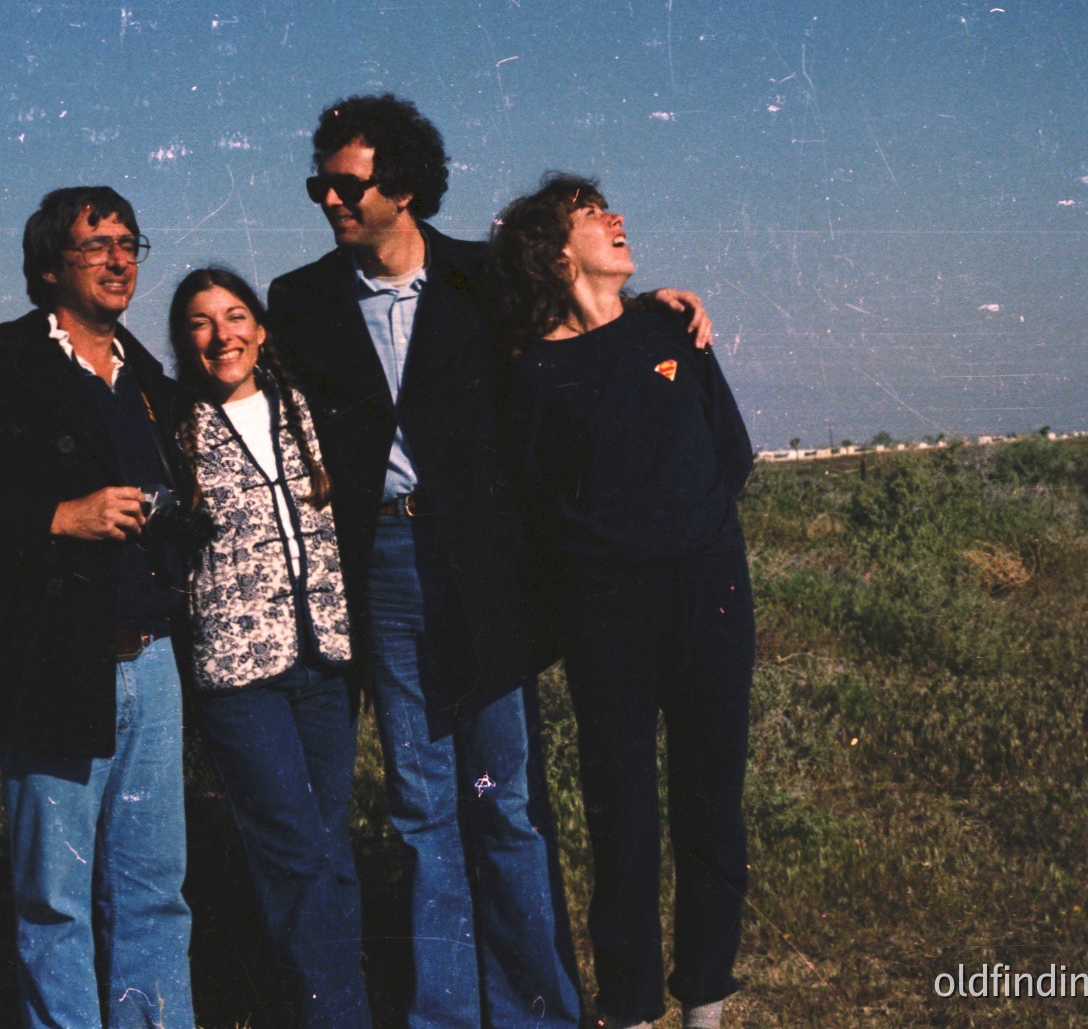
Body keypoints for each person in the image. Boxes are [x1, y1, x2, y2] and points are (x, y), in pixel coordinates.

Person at [267, 94, 712, 1029]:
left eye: (347, 185)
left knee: (502, 798)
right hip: (383, 564)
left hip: (485, 569)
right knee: (424, 804)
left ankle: (537, 1011)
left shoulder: (481, 278)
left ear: (406, 188)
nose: (330, 202)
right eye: (320, 186)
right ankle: (445, 1016)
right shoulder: (300, 302)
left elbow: (583, 318)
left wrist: (660, 306)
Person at [0, 186, 201, 1029]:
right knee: (56, 904)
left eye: (129, 243)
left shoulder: (147, 379)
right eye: (95, 245)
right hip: (53, 668)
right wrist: (54, 519)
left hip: (153, 664)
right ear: (46, 268)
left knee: (155, 894)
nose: (118, 259)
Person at [490, 174, 756, 1029]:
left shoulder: (671, 328)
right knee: (624, 817)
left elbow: (732, 454)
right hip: (606, 609)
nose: (617, 219)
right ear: (557, 249)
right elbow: (534, 497)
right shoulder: (531, 369)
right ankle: (634, 1007)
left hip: (709, 590)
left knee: (711, 801)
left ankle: (708, 999)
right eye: (592, 214)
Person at [167, 267, 371, 1029]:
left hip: (325, 663)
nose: (222, 335)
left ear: (260, 326)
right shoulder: (174, 427)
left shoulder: (304, 408)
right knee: (293, 856)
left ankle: (335, 1008)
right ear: (184, 341)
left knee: (329, 852)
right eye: (200, 322)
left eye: (235, 315)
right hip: (239, 675)